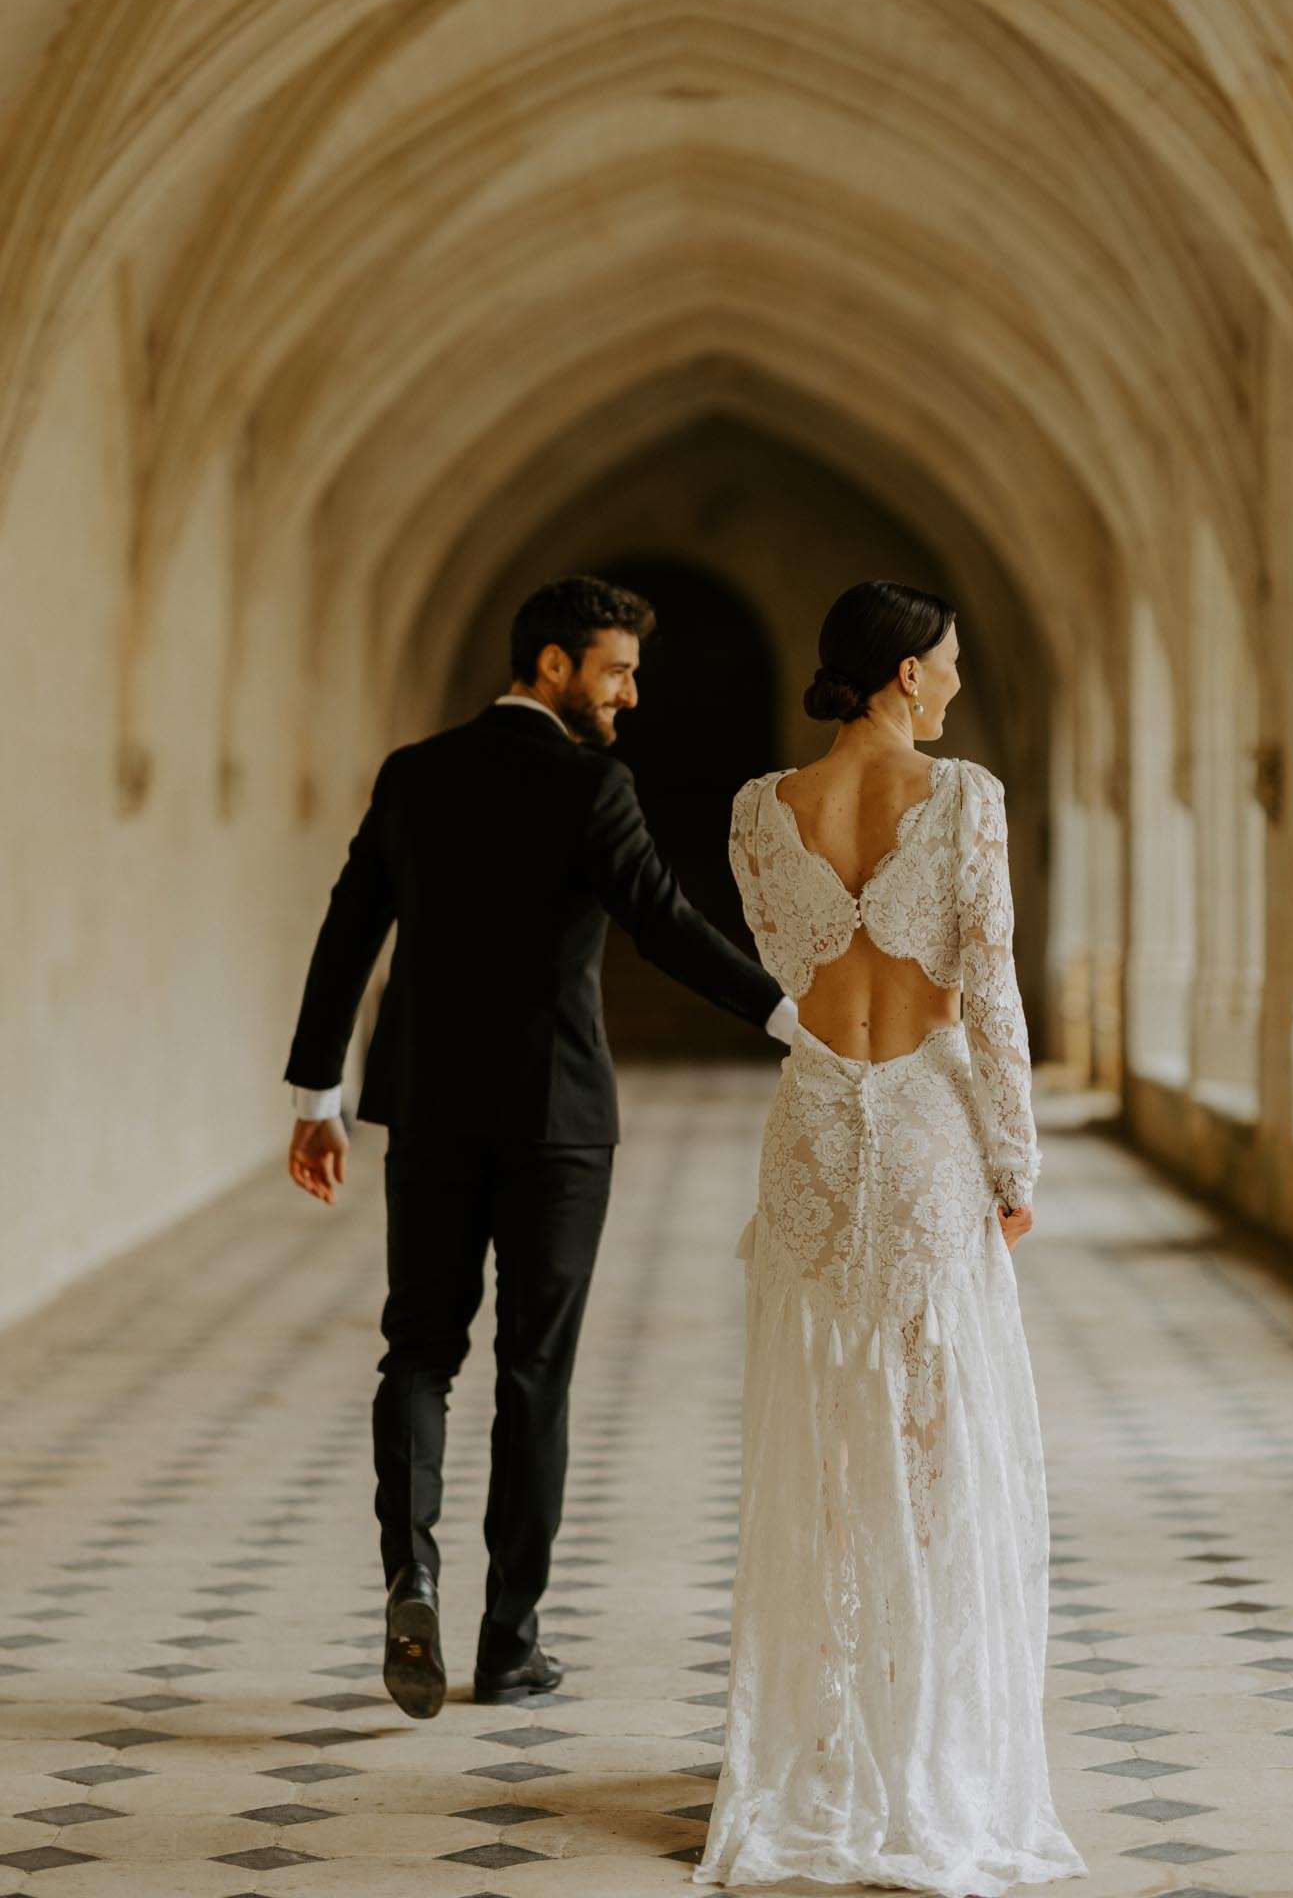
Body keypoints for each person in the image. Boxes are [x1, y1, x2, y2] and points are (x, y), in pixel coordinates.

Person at [282, 575, 796, 1719]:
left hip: (426, 1105)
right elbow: (663, 920)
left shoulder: (415, 774)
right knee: (534, 1370)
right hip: (559, 1120)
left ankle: (409, 1573)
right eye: (616, 671)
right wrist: (787, 1015)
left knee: (418, 1349)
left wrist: (319, 1089)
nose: (631, 695)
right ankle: (509, 1642)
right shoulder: (591, 784)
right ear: (553, 665)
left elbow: (347, 927)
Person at [694, 581, 1088, 1896]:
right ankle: (926, 1753)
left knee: (817, 1421)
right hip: (922, 1125)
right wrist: (1014, 1158)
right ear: (908, 672)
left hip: (812, 1122)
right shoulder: (964, 798)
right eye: (953, 662)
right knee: (933, 1439)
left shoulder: (759, 810)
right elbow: (990, 991)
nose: (960, 682)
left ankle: (827, 1752)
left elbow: (776, 966)